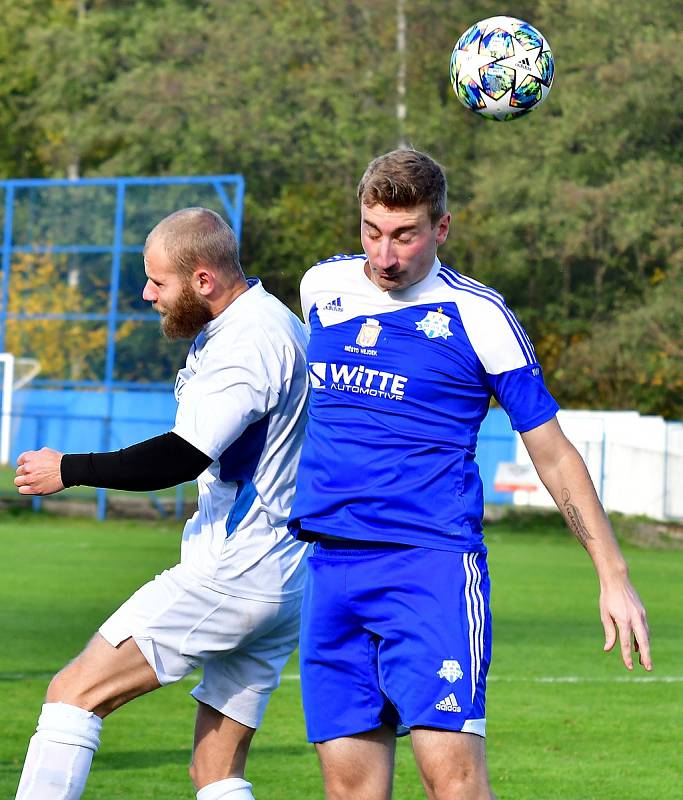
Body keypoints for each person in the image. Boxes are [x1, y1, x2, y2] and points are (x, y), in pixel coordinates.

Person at [288, 148, 651, 800]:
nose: (385, 254)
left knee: (451, 785)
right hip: (330, 569)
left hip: (427, 568)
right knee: (348, 791)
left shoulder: (479, 317)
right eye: (371, 232)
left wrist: (612, 576)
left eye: (404, 235)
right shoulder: (322, 287)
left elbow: (553, 452)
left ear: (441, 228)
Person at [13, 207, 310, 800]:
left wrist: (68, 469)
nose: (146, 293)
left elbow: (181, 456)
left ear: (203, 280)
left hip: (231, 573)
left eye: (158, 281)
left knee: (73, 695)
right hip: (283, 577)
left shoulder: (248, 342)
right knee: (216, 771)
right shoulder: (271, 320)